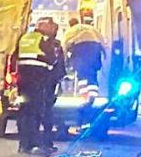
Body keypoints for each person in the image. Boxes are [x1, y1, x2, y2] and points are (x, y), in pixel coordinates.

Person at [15, 17, 65, 155]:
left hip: (23, 81)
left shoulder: (25, 38)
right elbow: (53, 61)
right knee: (36, 113)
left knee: (25, 112)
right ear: (45, 26)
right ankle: (35, 144)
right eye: (52, 27)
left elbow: (15, 57)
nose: (54, 29)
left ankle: (24, 144)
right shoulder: (45, 40)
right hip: (39, 81)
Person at [63, 10, 107, 87]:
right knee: (93, 70)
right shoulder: (90, 28)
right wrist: (104, 52)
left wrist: (66, 61)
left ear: (70, 25)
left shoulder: (70, 31)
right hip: (94, 46)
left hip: (80, 48)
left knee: (81, 71)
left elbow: (65, 45)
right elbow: (101, 39)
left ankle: (85, 90)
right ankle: (93, 89)